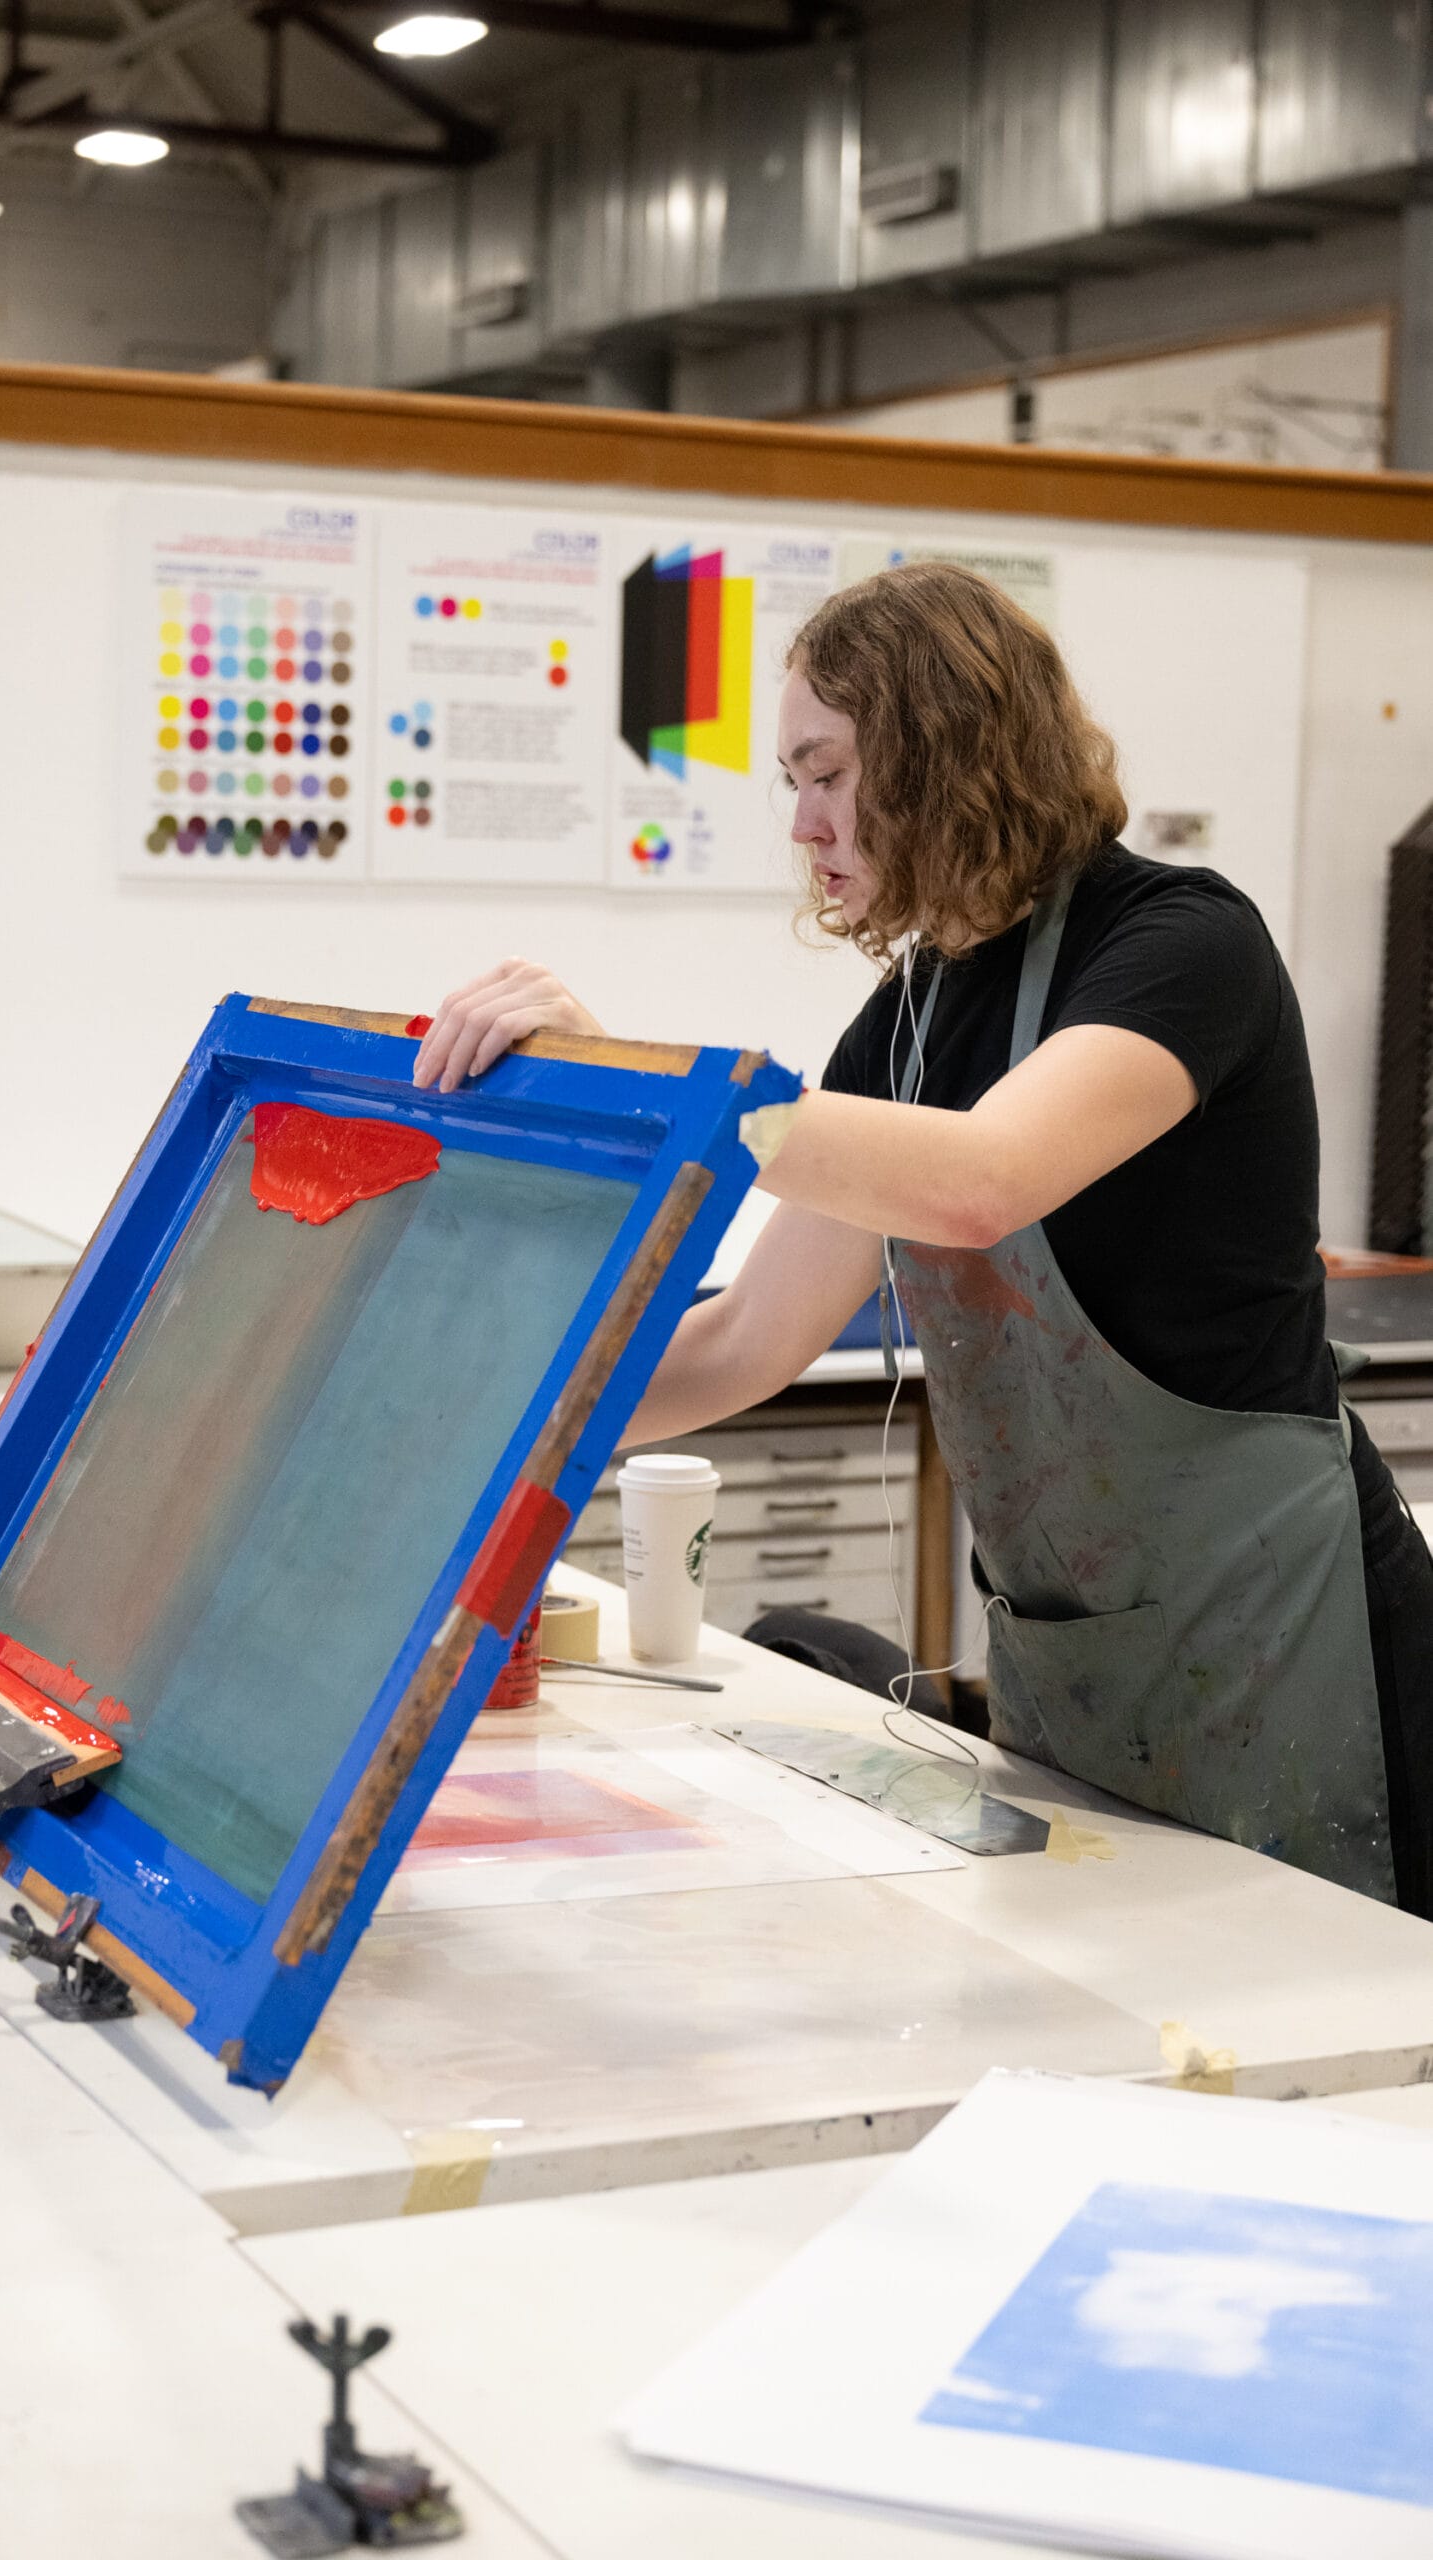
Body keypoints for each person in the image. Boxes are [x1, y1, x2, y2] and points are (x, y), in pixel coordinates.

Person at [413, 561, 1433, 1917]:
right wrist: (482, 1439)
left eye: (825, 773)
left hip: (1302, 1655)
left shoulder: (1184, 945)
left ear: (944, 747)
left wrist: (673, 1089)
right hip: (1082, 1676)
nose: (803, 823)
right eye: (791, 780)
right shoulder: (907, 1019)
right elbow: (743, 1342)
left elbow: (985, 1179)